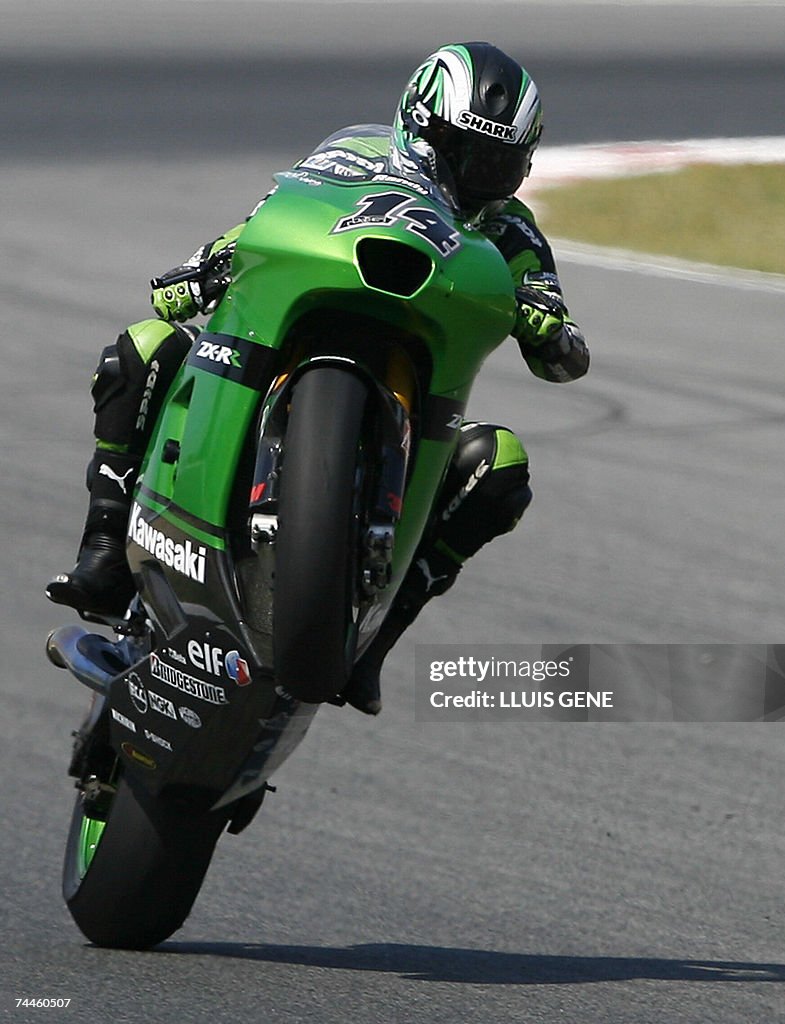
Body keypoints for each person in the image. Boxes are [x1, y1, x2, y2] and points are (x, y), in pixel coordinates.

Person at [46, 41, 590, 715]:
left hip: (419, 367)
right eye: (459, 148)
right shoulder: (346, 160)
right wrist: (209, 264)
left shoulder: (511, 229)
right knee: (145, 345)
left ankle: (376, 638)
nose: (472, 173)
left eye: (496, 163)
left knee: (499, 463)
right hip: (296, 324)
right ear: (417, 125)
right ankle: (103, 546)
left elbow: (561, 353)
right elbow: (256, 230)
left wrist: (547, 323)